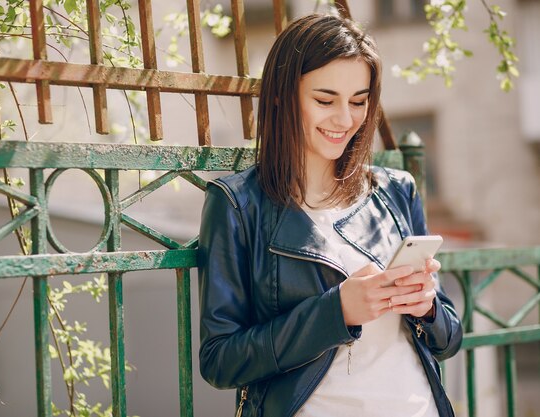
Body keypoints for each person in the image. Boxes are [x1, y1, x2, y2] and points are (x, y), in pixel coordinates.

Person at [197, 11, 463, 417]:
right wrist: (335, 311)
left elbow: (450, 339)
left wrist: (427, 307)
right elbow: (220, 360)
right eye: (325, 100)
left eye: (359, 101)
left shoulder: (395, 191)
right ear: (281, 96)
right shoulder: (236, 204)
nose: (345, 119)